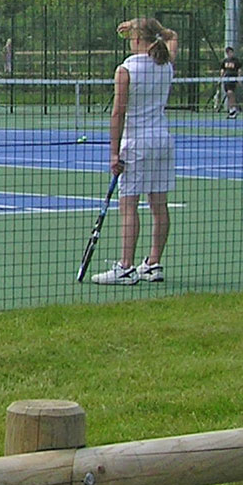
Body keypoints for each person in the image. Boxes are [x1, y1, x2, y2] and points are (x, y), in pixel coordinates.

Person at [93, 16, 178, 286]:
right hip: (162, 141)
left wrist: (114, 153)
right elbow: (172, 36)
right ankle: (153, 263)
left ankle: (126, 267)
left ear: (138, 39)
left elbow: (118, 112)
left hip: (138, 143)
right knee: (158, 204)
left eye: (132, 37)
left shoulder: (126, 69)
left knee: (128, 205)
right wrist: (143, 24)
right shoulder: (165, 64)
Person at [220, 47, 241, 118]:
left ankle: (234, 109)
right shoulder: (224, 61)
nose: (231, 54)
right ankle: (232, 110)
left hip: (233, 79)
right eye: (229, 52)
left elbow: (239, 70)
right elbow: (222, 70)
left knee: (230, 92)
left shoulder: (236, 61)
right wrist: (221, 78)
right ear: (227, 53)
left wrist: (239, 79)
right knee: (229, 95)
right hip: (226, 79)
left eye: (232, 52)